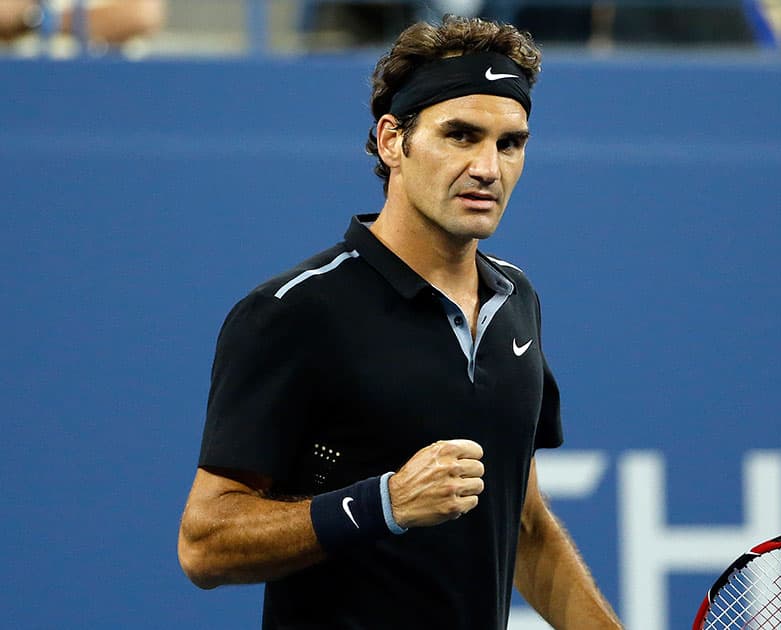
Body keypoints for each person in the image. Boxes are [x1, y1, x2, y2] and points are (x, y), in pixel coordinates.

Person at [177, 15, 623, 630]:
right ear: (393, 141)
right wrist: (381, 504)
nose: (488, 168)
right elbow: (204, 544)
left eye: (509, 143)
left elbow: (523, 527)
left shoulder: (516, 300)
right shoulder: (294, 312)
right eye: (460, 136)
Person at [0, 0, 164, 44]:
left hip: (107, 85)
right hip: (24, 87)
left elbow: (142, 15)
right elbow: (6, 14)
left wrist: (43, 20)